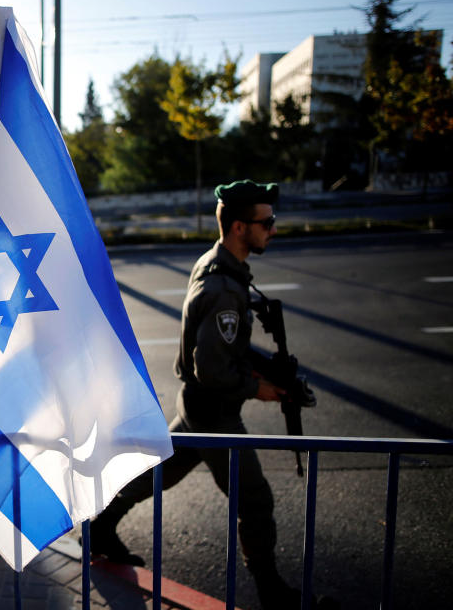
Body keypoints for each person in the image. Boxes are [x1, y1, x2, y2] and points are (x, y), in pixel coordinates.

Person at [89, 181, 310, 610]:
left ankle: (100, 528)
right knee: (256, 501)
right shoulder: (224, 288)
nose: (274, 230)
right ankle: (271, 592)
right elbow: (212, 369)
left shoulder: (216, 264)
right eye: (268, 223)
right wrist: (259, 388)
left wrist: (265, 367)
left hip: (197, 407)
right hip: (215, 414)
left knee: (159, 474)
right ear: (240, 226)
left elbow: (222, 349)